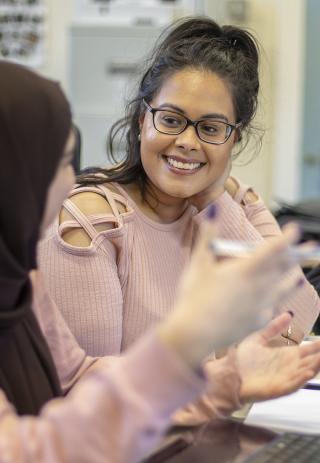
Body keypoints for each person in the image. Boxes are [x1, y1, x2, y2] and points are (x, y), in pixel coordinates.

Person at [1, 60, 320, 463]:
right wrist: (182, 343)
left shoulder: (20, 277)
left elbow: (83, 377)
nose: (72, 183)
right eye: (57, 165)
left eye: (211, 128)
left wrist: (228, 379)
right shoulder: (88, 220)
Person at [39, 17, 319, 377]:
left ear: (235, 138)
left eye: (211, 128)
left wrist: (215, 202)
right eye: (171, 120)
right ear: (143, 121)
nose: (187, 142)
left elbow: (298, 317)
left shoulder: (238, 203)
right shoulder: (91, 224)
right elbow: (87, 388)